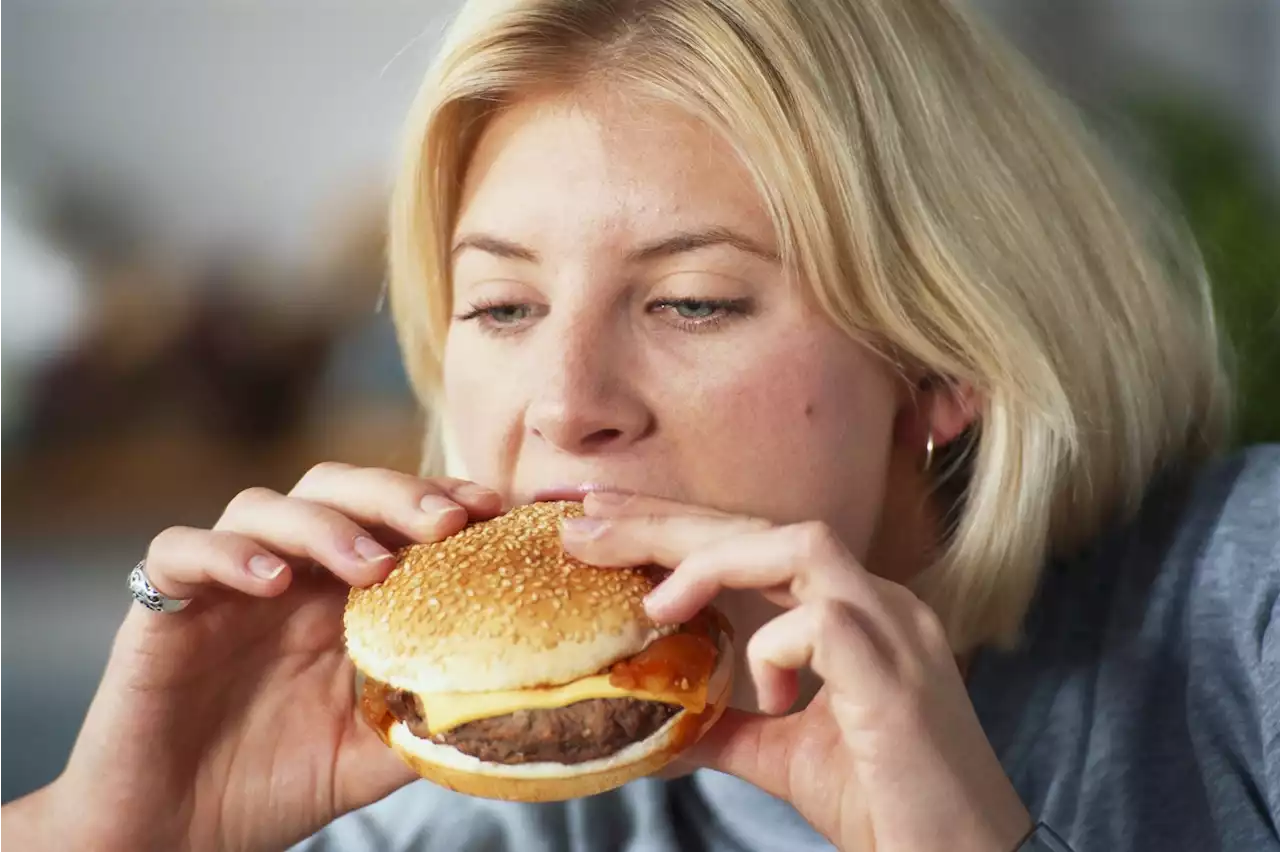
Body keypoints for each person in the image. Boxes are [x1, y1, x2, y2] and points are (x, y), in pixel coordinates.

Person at [3, 0, 1277, 849]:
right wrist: (111, 828)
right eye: (501, 306)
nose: (563, 406)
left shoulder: (1249, 607)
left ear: (944, 357)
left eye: (690, 301)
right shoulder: (493, 791)